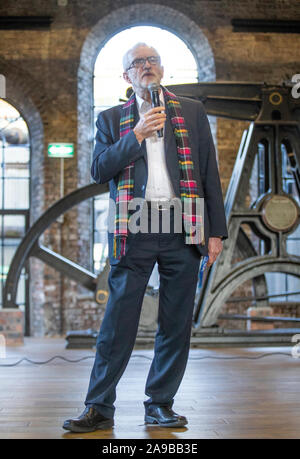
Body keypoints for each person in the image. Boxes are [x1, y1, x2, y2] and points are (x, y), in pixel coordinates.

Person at [63, 43, 228, 433]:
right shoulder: (111, 118)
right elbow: (99, 170)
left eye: (152, 60)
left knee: (175, 322)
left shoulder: (191, 111)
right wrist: (136, 134)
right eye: (137, 63)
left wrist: (216, 231)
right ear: (127, 77)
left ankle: (160, 404)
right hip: (132, 225)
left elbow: (208, 170)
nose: (146, 67)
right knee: (117, 323)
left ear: (161, 68)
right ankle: (99, 407)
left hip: (182, 222)